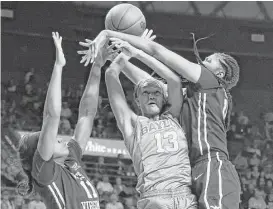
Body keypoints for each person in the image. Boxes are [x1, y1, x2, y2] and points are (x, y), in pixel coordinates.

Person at [78, 28, 241, 209]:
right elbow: (151, 86)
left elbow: (158, 53)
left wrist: (112, 35)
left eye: (209, 61)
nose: (202, 61)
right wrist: (118, 56)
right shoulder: (193, 96)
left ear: (219, 74)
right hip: (189, 174)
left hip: (212, 163)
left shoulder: (211, 83)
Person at [18, 32, 115, 209]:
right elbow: (51, 116)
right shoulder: (45, 172)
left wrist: (97, 65)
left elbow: (87, 113)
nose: (61, 138)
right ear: (38, 153)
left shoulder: (72, 160)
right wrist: (58, 66)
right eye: (54, 139)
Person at [103, 40, 197, 208]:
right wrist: (119, 58)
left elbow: (174, 80)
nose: (151, 96)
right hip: (155, 198)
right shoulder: (133, 124)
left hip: (185, 196)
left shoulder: (175, 117)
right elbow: (111, 74)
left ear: (164, 98)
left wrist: (136, 52)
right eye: (145, 93)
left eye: (156, 93)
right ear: (137, 100)